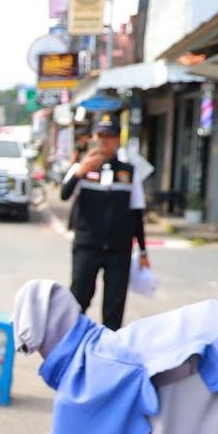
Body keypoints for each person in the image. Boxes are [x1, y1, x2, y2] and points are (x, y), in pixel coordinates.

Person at [58, 113, 148, 331]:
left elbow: (137, 212)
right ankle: (73, 347)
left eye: (111, 136)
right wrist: (81, 171)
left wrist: (143, 251)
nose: (105, 141)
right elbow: (64, 194)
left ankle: (109, 353)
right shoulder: (82, 167)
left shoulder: (129, 171)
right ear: (94, 138)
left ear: (118, 140)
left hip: (119, 249)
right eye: (101, 136)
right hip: (87, 246)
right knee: (78, 300)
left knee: (114, 307)